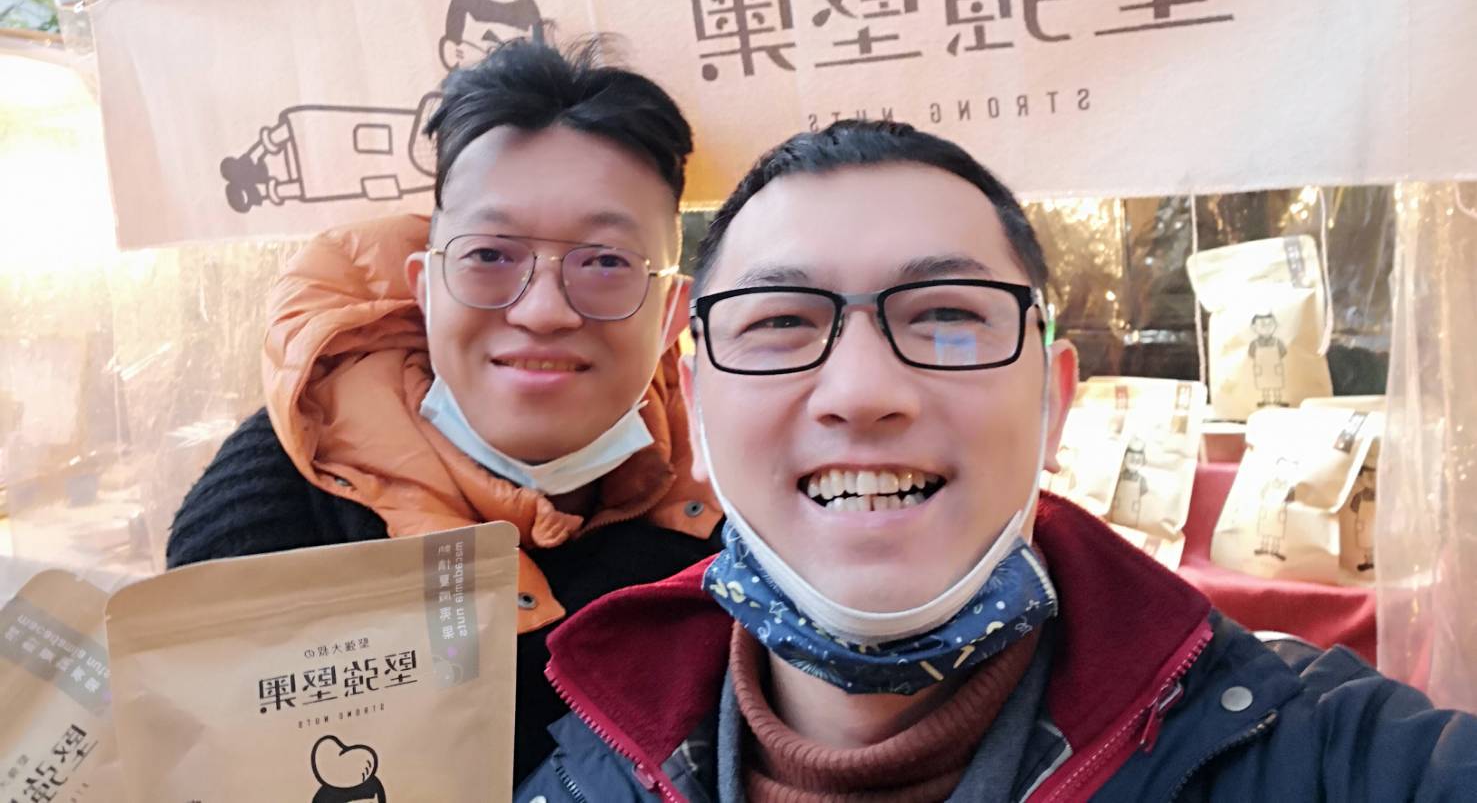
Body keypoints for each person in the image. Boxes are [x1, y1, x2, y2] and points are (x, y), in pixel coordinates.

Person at [517, 119, 1477, 802]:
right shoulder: (582, 772)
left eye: (945, 316)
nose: (862, 390)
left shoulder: (1314, 752)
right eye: (779, 323)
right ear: (694, 400)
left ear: (1053, 400)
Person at [167, 39, 721, 783]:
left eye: (604, 262)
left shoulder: (739, 524)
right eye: (490, 256)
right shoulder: (274, 522)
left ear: (671, 313)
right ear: (425, 290)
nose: (543, 311)